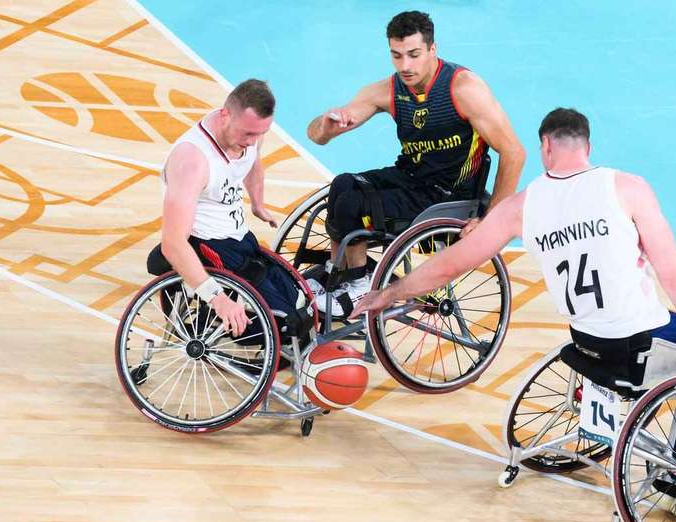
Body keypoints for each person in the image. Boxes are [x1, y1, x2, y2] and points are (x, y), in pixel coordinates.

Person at [352, 108, 676, 522]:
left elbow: (449, 265)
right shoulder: (628, 187)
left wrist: (389, 293)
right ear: (587, 147)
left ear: (545, 148)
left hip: (586, 347)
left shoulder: (520, 207)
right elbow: (675, 279)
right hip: (641, 343)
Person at [305, 10, 525, 314]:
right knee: (342, 184)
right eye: (396, 56)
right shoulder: (388, 90)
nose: (405, 66)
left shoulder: (463, 89)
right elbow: (316, 134)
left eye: (413, 55)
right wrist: (326, 128)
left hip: (447, 196)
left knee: (352, 207)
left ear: (432, 50)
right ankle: (341, 272)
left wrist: (492, 220)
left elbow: (514, 152)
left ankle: (359, 287)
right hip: (410, 178)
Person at [160, 79, 301, 338]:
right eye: (248, 134)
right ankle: (221, 336)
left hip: (238, 236)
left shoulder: (250, 132)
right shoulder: (192, 161)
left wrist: (258, 203)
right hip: (205, 242)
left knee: (296, 299)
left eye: (261, 133)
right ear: (225, 115)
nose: (253, 141)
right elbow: (171, 243)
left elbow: (253, 163)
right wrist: (217, 298)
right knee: (281, 322)